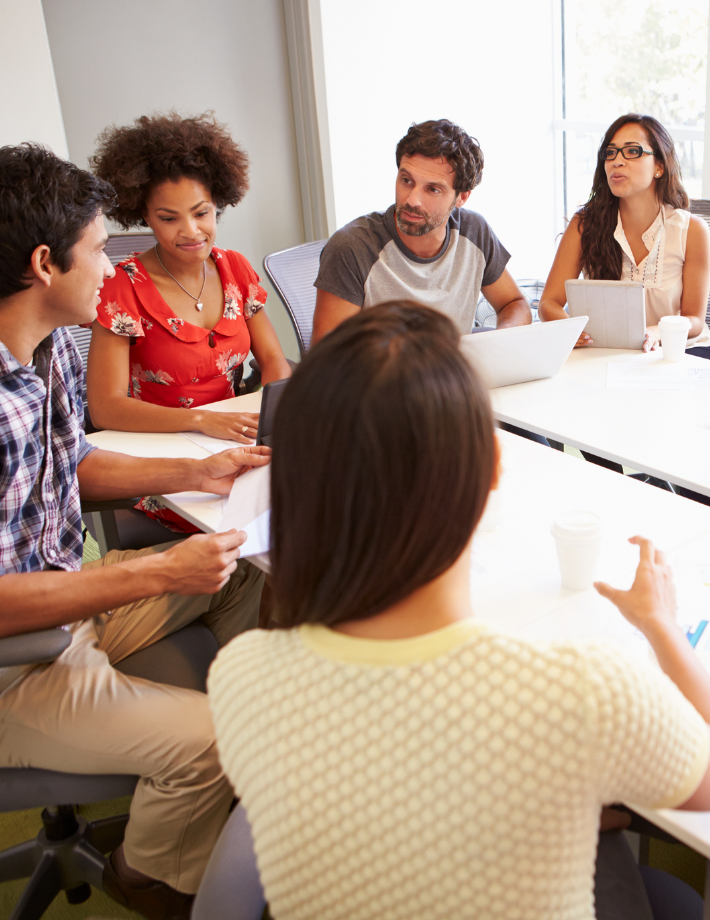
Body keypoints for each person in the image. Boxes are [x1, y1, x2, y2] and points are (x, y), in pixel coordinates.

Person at [208, 302, 710, 920]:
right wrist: (664, 630)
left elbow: (398, 777)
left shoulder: (240, 675)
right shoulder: (581, 693)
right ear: (495, 469)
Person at [0, 144, 269, 920]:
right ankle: (148, 874)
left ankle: (235, 789)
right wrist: (157, 573)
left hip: (57, 609)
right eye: (98, 248)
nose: (111, 263)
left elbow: (71, 463)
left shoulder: (34, 335)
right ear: (45, 263)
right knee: (216, 741)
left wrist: (196, 473)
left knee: (250, 569)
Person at [87, 112, 291, 532]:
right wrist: (202, 419)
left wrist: (269, 420)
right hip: (167, 461)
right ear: (142, 214)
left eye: (202, 213)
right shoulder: (122, 287)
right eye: (169, 218)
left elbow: (273, 359)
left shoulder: (235, 268)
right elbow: (105, 408)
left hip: (234, 440)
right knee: (274, 527)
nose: (191, 231)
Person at [311, 119, 532, 345]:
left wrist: (498, 345)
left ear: (462, 197)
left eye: (433, 189)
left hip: (455, 376)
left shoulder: (474, 232)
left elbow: (514, 304)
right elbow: (328, 359)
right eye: (406, 180)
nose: (412, 200)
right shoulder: (352, 248)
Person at [540, 113, 710, 356]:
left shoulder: (692, 231)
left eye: (632, 152)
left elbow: (695, 320)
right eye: (610, 153)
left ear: (659, 166)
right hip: (606, 354)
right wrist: (571, 328)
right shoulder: (584, 225)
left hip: (677, 353)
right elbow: (549, 303)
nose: (616, 161)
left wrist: (655, 332)